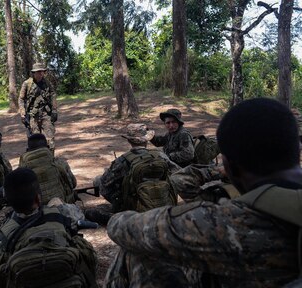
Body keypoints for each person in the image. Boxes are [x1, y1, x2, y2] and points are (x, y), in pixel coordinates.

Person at [105, 98, 302, 287]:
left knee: (139, 252)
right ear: (296, 150)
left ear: (228, 165)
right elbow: (161, 142)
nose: (170, 125)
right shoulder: (172, 136)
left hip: (180, 181)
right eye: (168, 123)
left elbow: (124, 228)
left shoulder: (224, 222)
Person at [0, 167, 98, 288]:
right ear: (37, 198)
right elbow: (79, 214)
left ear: (9, 202)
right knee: (81, 245)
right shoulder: (63, 213)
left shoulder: (0, 237)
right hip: (67, 280)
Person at [86, 124, 177, 225]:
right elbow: (178, 174)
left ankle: (122, 212)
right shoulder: (160, 155)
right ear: (147, 140)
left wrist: (119, 200)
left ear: (129, 140)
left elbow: (104, 185)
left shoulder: (123, 160)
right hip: (164, 204)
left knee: (97, 184)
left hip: (135, 209)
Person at [18, 133, 76, 204]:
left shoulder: (21, 172)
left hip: (36, 212)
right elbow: (73, 184)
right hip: (61, 208)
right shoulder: (60, 164)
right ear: (48, 147)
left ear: (27, 150)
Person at [18, 63, 58, 151]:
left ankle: (50, 159)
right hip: (33, 115)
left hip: (46, 114)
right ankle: (37, 162)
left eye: (42, 72)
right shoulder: (27, 84)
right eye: (38, 72)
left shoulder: (47, 83)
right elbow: (21, 99)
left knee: (50, 139)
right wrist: (22, 113)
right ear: (34, 73)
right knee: (35, 141)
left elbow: (53, 95)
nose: (40, 74)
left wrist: (54, 110)